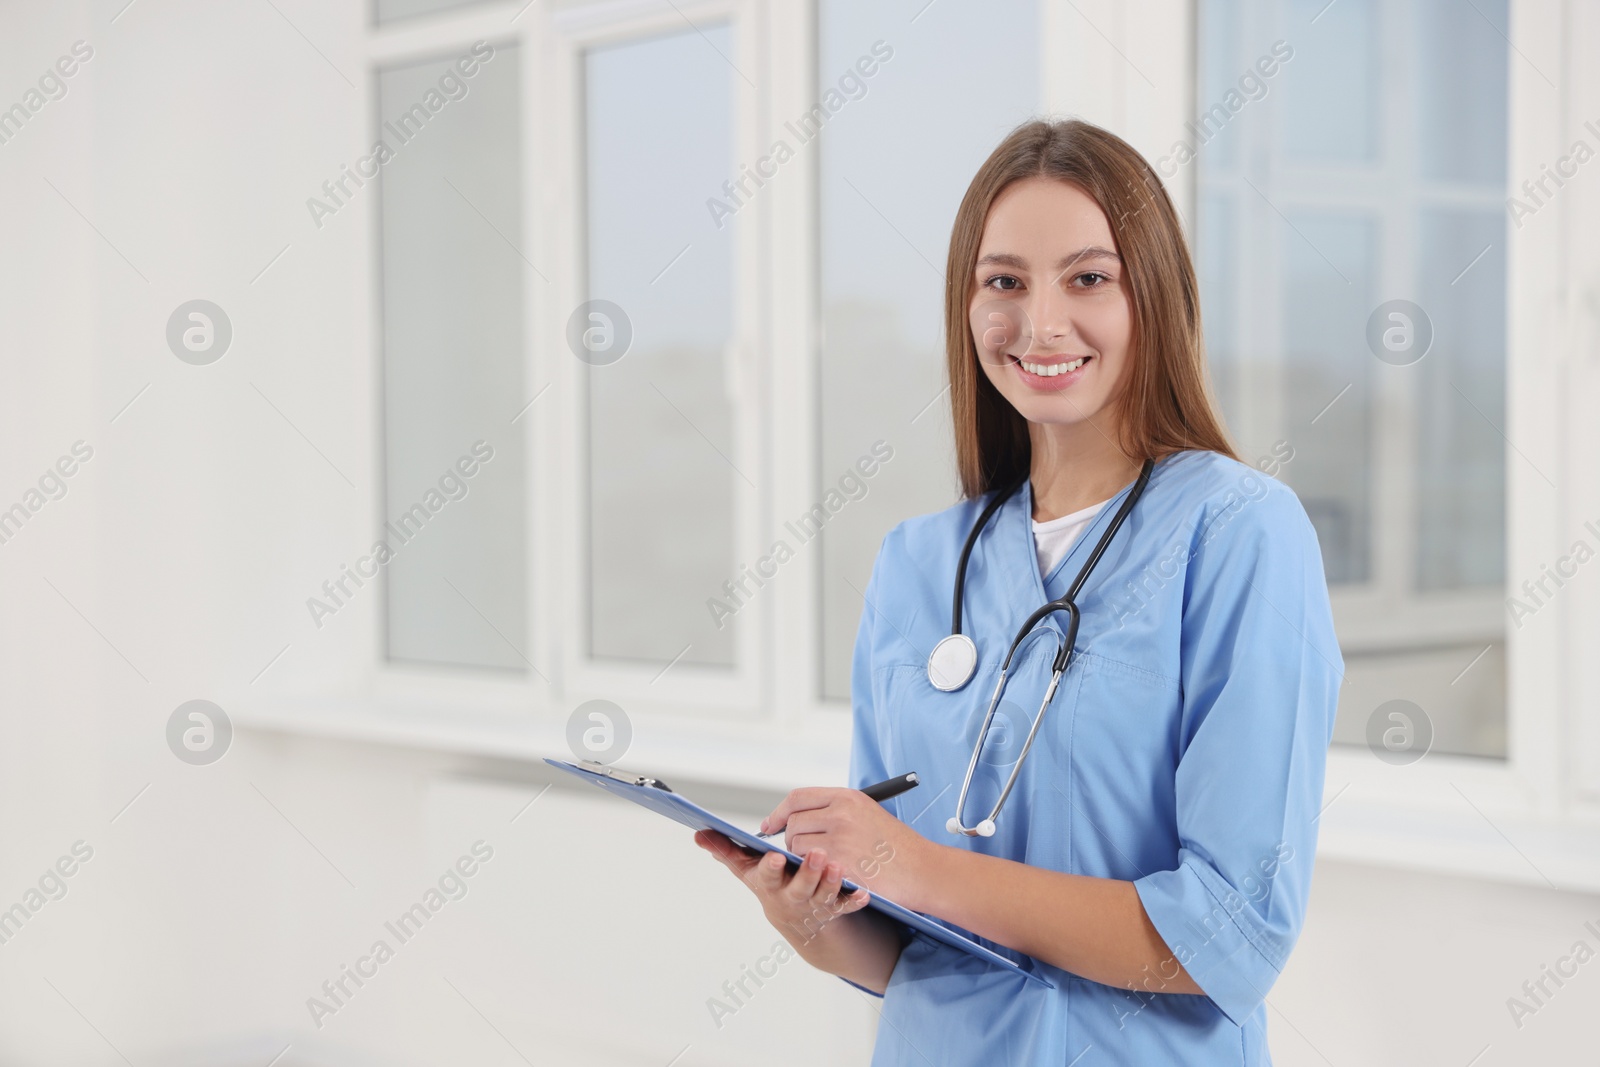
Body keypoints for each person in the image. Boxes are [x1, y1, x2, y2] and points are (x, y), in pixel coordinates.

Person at [695, 118, 1342, 1065]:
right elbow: (910, 945)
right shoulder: (916, 563)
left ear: (1153, 296)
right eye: (1004, 282)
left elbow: (1230, 936)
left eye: (1088, 278)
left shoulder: (1240, 532)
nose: (1039, 324)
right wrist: (814, 915)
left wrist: (918, 865)